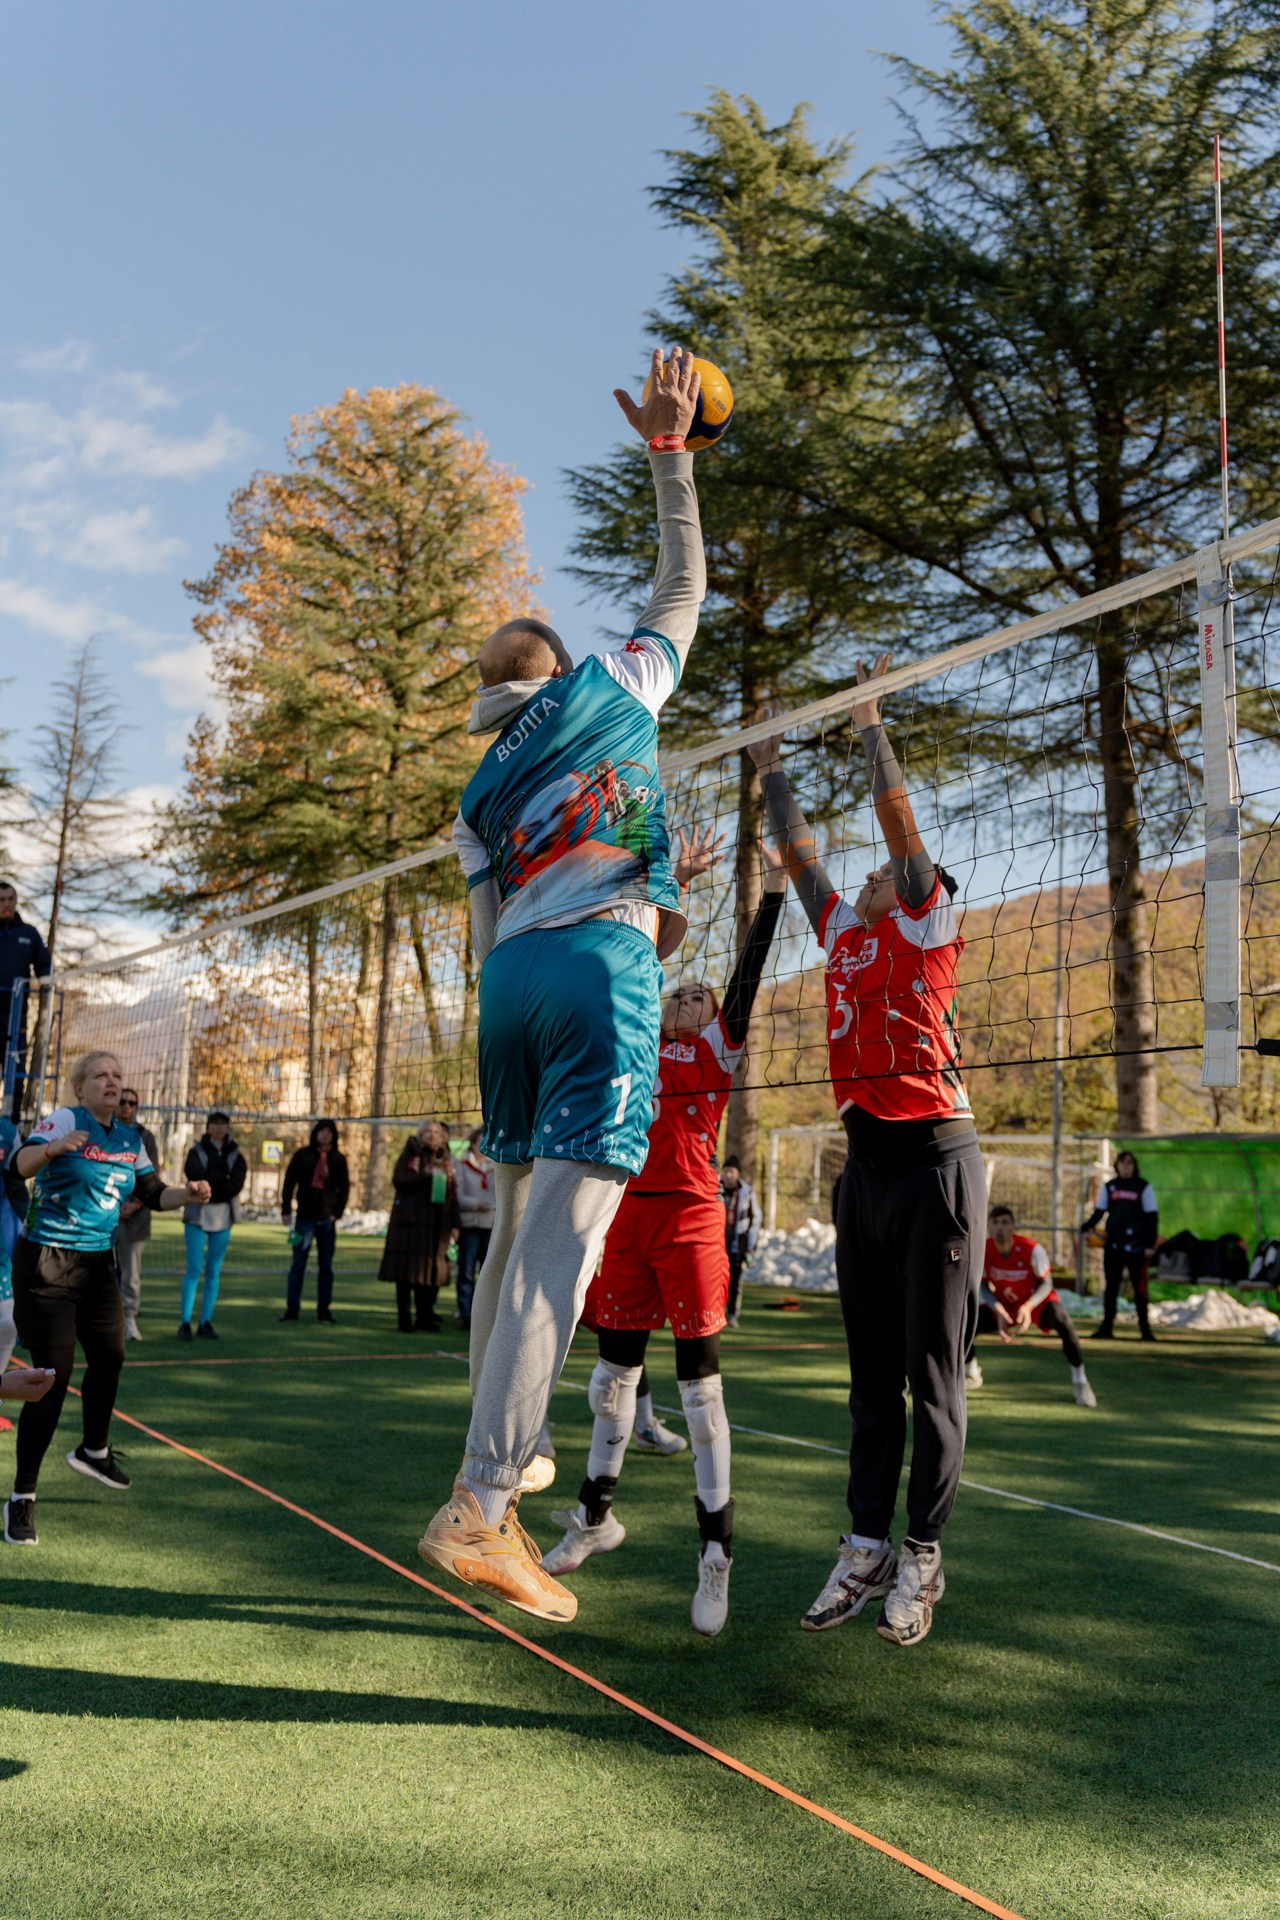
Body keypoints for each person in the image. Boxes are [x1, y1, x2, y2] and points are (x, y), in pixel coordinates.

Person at [417, 346, 707, 1625]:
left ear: (493, 693)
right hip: (592, 972)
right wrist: (669, 453)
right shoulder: (610, 688)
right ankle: (485, 1498)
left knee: (512, 1244)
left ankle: (506, 1460)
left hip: (516, 991)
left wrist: (646, 917)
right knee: (559, 1258)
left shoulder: (477, 793)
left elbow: (487, 936)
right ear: (554, 660)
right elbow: (683, 585)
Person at [752, 657, 984, 1648]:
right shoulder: (843, 935)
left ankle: (922, 1558)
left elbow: (900, 829)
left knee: (931, 1375)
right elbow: (799, 854)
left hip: (936, 1160)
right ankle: (863, 1546)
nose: (871, 871)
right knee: (865, 1377)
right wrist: (767, 767)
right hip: (866, 1169)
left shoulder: (926, 928)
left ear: (916, 891)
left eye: (886, 872)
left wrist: (867, 724)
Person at [541, 836, 787, 1637]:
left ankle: (715, 1555)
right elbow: (635, 954)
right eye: (681, 991)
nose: (688, 996)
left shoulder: (717, 1048)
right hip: (627, 1215)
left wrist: (775, 890)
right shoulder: (641, 1032)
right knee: (612, 1385)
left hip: (689, 1219)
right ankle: (594, 1519)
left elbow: (745, 975)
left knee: (700, 1394)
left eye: (699, 996)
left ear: (717, 1021)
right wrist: (673, 882)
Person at [4, 1049, 210, 1546]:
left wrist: (188, 1194)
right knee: (49, 1379)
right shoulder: (65, 1120)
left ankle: (94, 1450)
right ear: (82, 1087)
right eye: (101, 1075)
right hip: (47, 1262)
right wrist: (52, 1150)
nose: (112, 1082)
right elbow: (17, 1166)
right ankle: (22, 1499)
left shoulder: (130, 1137)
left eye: (117, 1075)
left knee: (112, 1355)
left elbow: (154, 1191)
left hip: (97, 1265)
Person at [969, 1206, 1096, 1407]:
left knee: (1063, 1321)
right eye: (995, 1223)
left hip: (1035, 1303)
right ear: (989, 1227)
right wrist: (998, 1309)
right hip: (1006, 1304)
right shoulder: (983, 1250)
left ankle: (1080, 1381)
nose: (1000, 1227)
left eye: (1005, 1222)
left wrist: (1028, 1306)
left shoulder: (1032, 1249)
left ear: (1013, 1226)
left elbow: (1047, 1283)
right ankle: (971, 1372)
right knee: (966, 1322)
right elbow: (983, 1285)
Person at [379, 1120, 460, 1331]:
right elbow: (399, 1182)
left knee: (428, 1275)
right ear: (420, 1135)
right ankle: (404, 1320)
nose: (433, 1136)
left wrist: (455, 1223)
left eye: (437, 1132)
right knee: (405, 1276)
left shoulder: (446, 1160)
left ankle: (425, 1317)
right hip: (408, 1226)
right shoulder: (410, 1156)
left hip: (435, 1227)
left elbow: (452, 1195)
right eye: (428, 1132)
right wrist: (425, 1175)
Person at [179, 1110, 246, 1341]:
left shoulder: (236, 1154)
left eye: (222, 1124)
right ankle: (185, 1322)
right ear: (208, 1127)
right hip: (197, 1216)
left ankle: (205, 1321)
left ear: (228, 1127)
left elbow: (235, 1183)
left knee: (213, 1272)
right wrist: (216, 1182)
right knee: (193, 1270)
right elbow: (196, 1175)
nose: (218, 1128)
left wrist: (214, 1185)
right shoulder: (196, 1151)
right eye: (214, 1124)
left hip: (223, 1217)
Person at [1080, 1150, 1159, 1341]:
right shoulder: (1111, 1187)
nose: (1126, 1167)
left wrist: (1149, 1245)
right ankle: (1106, 1328)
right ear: (1117, 1166)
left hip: (1138, 1247)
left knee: (1139, 1290)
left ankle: (1145, 1330)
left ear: (1134, 1166)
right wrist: (1085, 1227)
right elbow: (1099, 1212)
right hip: (1114, 1246)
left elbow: (1152, 1218)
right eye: (1122, 1163)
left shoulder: (1143, 1187)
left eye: (1129, 1163)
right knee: (1111, 1289)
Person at [280, 1119, 349, 1324]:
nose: (325, 1135)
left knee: (326, 1267)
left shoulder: (338, 1159)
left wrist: (337, 1213)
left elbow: (345, 1188)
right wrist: (286, 1209)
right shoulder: (303, 1156)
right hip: (304, 1219)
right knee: (297, 1265)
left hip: (327, 1220)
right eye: (322, 1131)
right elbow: (289, 1182)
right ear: (316, 1133)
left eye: (329, 1131)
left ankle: (324, 1311)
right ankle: (292, 1309)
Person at [112, 1088, 160, 1342]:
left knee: (131, 1273)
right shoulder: (103, 1133)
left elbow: (153, 1177)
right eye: (122, 1102)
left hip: (135, 1218)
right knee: (101, 1270)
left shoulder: (145, 1137)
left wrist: (136, 1204)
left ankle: (129, 1317)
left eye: (132, 1103)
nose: (126, 1107)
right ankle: (105, 1318)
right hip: (106, 1215)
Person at [0, 882, 51, 1120]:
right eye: (1, 900)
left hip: (15, 1014)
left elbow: (43, 962)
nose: (6, 904)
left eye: (10, 899)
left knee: (15, 1068)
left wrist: (46, 980)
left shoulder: (28, 934)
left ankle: (12, 1121)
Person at [0, 1113, 29, 1432]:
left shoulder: (7, 1132)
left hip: (1, 1240)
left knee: (7, 1325)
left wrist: (29, 1218)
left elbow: (17, 1181)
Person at [454, 1127, 495, 1331]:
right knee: (466, 1271)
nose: (482, 1146)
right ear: (472, 1144)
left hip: (491, 1225)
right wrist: (475, 1204)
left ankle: (484, 1315)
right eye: (479, 1141)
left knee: (487, 1273)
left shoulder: (495, 1166)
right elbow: (457, 1196)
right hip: (470, 1224)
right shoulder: (461, 1166)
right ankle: (465, 1313)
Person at [719, 1156, 760, 1329]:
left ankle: (733, 1314)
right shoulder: (714, 1188)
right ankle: (716, 1313)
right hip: (716, 1243)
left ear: (738, 1173)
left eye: (732, 1171)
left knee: (735, 1282)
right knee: (717, 1281)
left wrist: (750, 1247)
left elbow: (755, 1219)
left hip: (737, 1245)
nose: (728, 1175)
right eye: (726, 1170)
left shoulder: (747, 1192)